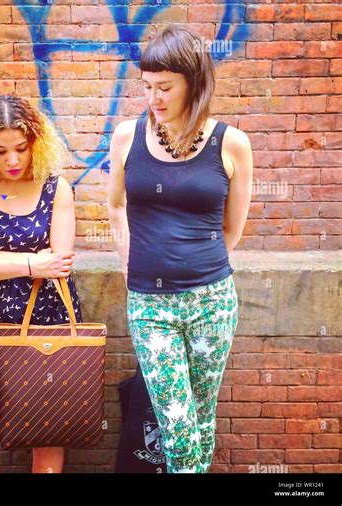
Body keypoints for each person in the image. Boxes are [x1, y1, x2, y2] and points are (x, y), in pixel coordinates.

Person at [108, 25, 253, 473]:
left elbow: (233, 229)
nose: (154, 97)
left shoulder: (231, 143)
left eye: (165, 86)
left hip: (212, 302)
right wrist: (134, 261)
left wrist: (194, 266)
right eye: (147, 85)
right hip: (150, 306)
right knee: (175, 420)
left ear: (194, 81)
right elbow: (115, 206)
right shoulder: (126, 137)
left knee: (201, 420)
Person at [0, 94, 82, 473]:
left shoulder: (57, 189)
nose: (12, 160)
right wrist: (31, 262)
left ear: (35, 143)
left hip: (48, 322)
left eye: (21, 149)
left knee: (45, 444)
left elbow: (58, 266)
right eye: (0, 150)